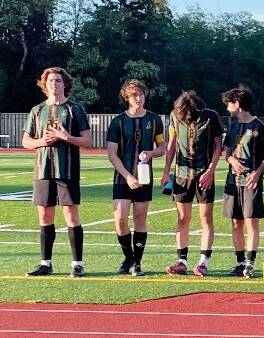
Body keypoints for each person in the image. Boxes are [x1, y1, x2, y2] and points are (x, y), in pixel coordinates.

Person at [22, 67, 92, 277]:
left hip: (67, 169)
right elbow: (26, 141)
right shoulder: (37, 110)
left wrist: (66, 137)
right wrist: (40, 141)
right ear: (45, 85)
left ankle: (77, 263)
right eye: (51, 81)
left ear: (65, 84)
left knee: (70, 214)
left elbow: (88, 141)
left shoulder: (75, 110)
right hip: (43, 170)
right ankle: (45, 263)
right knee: (45, 214)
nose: (54, 84)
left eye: (58, 80)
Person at [107, 79, 165, 276]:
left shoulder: (155, 120)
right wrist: (127, 175)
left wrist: (150, 154)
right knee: (120, 219)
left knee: (140, 218)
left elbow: (162, 149)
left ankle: (137, 263)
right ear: (126, 97)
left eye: (140, 94)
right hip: (123, 178)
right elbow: (112, 154)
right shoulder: (118, 122)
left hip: (144, 177)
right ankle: (128, 257)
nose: (137, 98)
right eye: (133, 95)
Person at [161, 91, 223, 277]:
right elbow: (171, 144)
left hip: (204, 174)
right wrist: (166, 173)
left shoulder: (210, 116)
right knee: (182, 218)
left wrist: (211, 171)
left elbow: (218, 145)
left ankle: (204, 262)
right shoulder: (174, 115)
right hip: (181, 174)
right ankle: (182, 261)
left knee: (206, 218)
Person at [222, 87, 264, 279]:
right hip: (232, 181)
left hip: (251, 181)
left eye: (229, 104)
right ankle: (240, 262)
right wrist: (231, 160)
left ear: (237, 104)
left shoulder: (259, 126)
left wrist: (257, 173)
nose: (228, 108)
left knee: (251, 222)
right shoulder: (233, 125)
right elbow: (226, 152)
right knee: (236, 222)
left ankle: (250, 263)